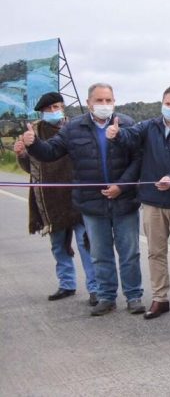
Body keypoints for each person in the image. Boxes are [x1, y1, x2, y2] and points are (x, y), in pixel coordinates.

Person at [24, 83, 143, 316]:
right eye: (99, 101)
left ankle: (134, 296)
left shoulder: (127, 124)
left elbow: (138, 159)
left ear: (114, 101)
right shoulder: (73, 128)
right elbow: (50, 152)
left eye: (108, 100)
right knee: (100, 253)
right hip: (91, 204)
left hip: (124, 201)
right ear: (88, 103)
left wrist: (122, 186)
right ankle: (106, 297)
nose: (104, 105)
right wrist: (33, 144)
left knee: (129, 253)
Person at [107, 85, 170, 319]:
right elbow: (130, 137)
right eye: (167, 103)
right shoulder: (148, 126)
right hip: (151, 201)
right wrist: (117, 134)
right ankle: (160, 298)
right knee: (155, 252)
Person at [15, 92, 98, 304]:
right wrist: (22, 154)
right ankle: (67, 284)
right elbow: (31, 168)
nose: (54, 111)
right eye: (49, 109)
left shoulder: (75, 128)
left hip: (78, 196)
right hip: (52, 199)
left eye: (57, 107)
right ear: (42, 112)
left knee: (85, 242)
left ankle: (95, 288)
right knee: (58, 245)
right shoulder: (33, 133)